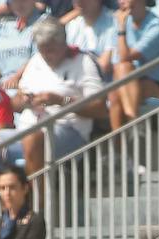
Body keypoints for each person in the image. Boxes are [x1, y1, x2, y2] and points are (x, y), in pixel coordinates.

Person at [6, 18, 103, 173]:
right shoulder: (36, 60)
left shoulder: (83, 62)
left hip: (68, 129)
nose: (46, 55)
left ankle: (38, 197)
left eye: (50, 50)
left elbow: (99, 108)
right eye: (41, 49)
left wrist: (60, 100)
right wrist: (24, 100)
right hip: (26, 127)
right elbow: (14, 103)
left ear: (63, 44)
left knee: (32, 141)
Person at [106, 0, 159, 130]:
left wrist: (121, 30)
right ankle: (125, 141)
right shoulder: (121, 23)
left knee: (124, 68)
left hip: (157, 85)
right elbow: (116, 63)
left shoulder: (157, 26)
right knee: (115, 93)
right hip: (125, 82)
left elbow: (125, 58)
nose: (120, 1)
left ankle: (132, 125)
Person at [0, 0, 46, 85]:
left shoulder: (44, 22)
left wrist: (16, 77)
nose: (19, 5)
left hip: (29, 85)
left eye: (23, 1)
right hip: (3, 87)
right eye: (14, 1)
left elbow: (37, 58)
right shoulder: (6, 26)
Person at [64, 0, 117, 76]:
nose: (78, 2)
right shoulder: (71, 26)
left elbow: (104, 65)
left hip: (104, 83)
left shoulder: (114, 22)